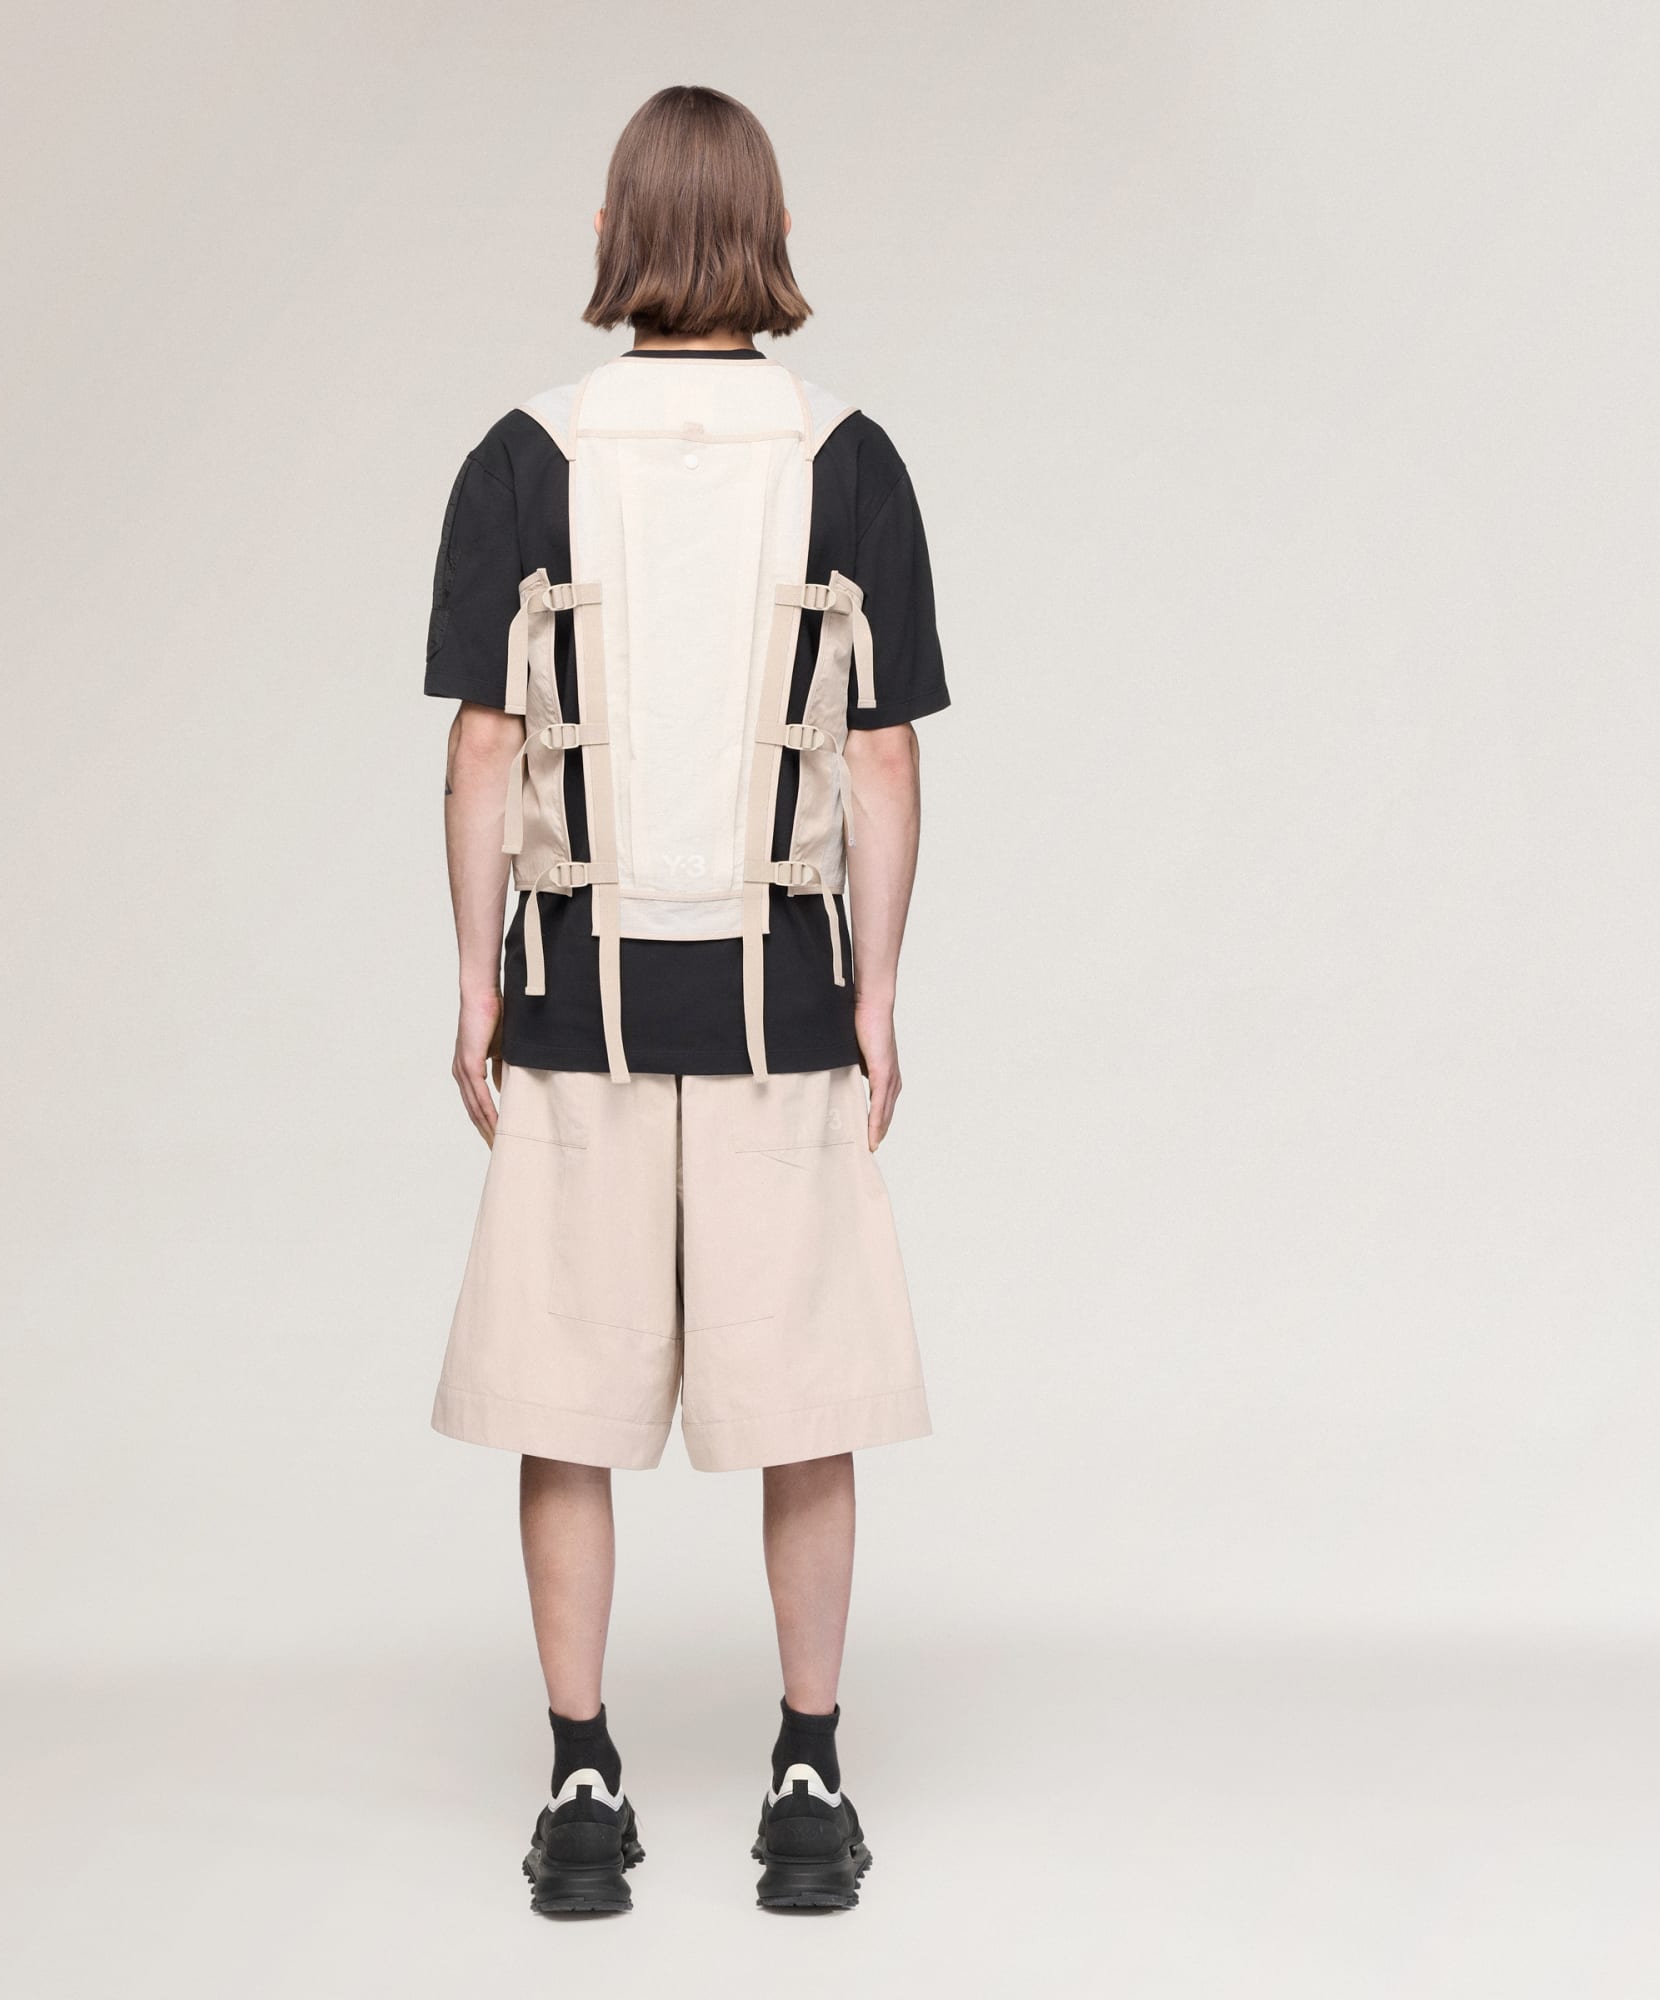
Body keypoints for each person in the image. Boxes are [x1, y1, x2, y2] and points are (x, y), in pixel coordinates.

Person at [423, 84, 947, 1914]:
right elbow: (879, 756)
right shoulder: (850, 458)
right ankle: (808, 1776)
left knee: (566, 1401)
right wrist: (877, 992)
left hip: (574, 1001)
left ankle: (581, 1783)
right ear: (773, 238)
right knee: (804, 1396)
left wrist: (474, 981)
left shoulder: (524, 455)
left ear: (614, 240)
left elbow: (485, 744)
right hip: (782, 1000)